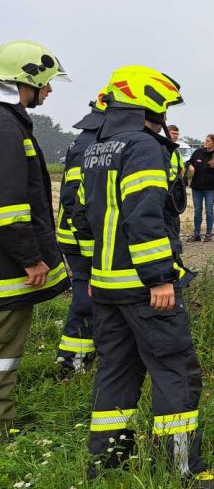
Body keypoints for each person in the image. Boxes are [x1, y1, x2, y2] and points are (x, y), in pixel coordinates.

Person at [74, 65, 214, 489]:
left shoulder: (96, 148)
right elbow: (145, 215)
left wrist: (90, 274)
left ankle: (106, 464)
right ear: (151, 103)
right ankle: (183, 471)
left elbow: (82, 217)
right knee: (174, 371)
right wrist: (160, 278)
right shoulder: (142, 147)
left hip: (106, 287)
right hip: (146, 288)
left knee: (116, 373)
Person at [0, 40, 71, 434]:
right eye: (46, 82)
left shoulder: (10, 122)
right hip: (7, 266)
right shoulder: (6, 126)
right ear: (25, 78)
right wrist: (30, 257)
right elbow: (9, 205)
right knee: (4, 351)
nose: (49, 90)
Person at [53, 89, 107, 376]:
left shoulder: (94, 139)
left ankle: (79, 356)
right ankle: (72, 361)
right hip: (77, 236)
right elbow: (75, 200)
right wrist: (90, 245)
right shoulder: (89, 144)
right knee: (86, 297)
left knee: (90, 296)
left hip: (83, 234)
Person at [186, 134, 214, 242]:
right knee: (197, 211)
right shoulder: (198, 152)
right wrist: (190, 166)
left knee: (209, 211)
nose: (206, 142)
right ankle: (196, 234)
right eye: (206, 140)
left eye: (208, 141)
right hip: (196, 187)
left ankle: (208, 234)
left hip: (210, 188)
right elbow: (189, 161)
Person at [165, 124, 186, 240]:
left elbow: (181, 168)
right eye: (173, 133)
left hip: (174, 187)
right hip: (164, 186)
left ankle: (174, 236)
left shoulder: (176, 151)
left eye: (177, 134)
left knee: (174, 215)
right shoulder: (162, 147)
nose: (176, 136)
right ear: (167, 132)